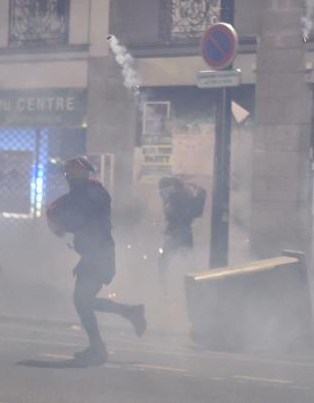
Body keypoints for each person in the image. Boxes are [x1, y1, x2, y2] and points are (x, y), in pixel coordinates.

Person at [46, 156, 147, 365]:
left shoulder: (92, 194)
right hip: (94, 253)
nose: (70, 176)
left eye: (73, 172)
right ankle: (125, 317)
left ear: (82, 174)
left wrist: (60, 221)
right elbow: (61, 208)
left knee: (82, 301)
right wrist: (54, 214)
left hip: (99, 253)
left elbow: (80, 220)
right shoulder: (83, 193)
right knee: (83, 301)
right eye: (68, 172)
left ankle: (102, 343)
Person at [157, 176, 204, 287]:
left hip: (179, 233)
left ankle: (165, 288)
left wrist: (170, 227)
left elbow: (176, 215)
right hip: (184, 233)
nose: (161, 194)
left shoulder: (176, 196)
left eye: (162, 190)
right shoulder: (182, 194)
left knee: (163, 263)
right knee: (189, 262)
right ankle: (196, 285)